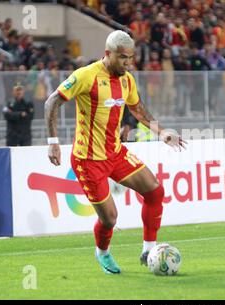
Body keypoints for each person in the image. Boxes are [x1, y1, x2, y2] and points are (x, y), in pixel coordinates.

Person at [44, 30, 186, 275]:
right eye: (122, 58)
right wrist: (53, 141)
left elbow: (139, 110)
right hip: (88, 160)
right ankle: (102, 251)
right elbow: (52, 102)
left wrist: (161, 132)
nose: (127, 63)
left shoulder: (126, 80)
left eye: (130, 58)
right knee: (110, 218)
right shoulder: (86, 76)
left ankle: (148, 249)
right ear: (107, 54)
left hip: (115, 153)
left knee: (155, 191)